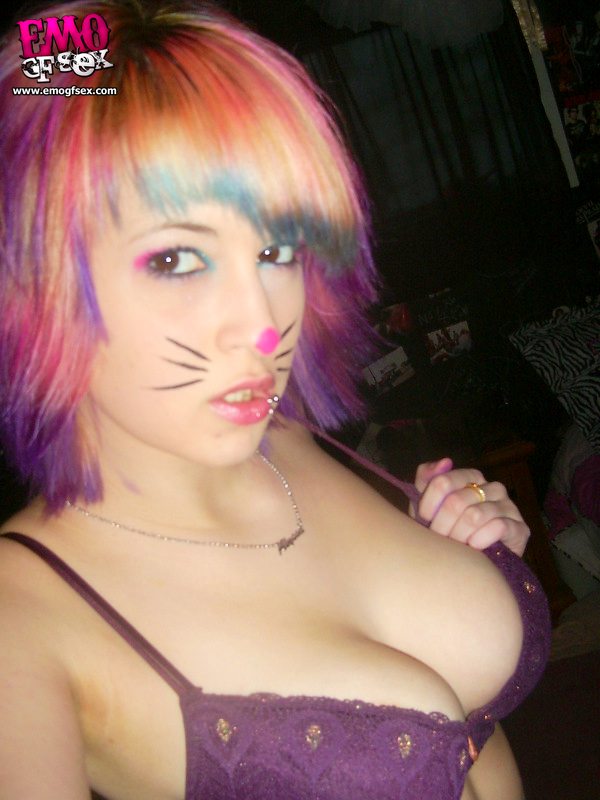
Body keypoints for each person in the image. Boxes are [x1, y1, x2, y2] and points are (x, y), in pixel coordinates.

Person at [0, 2, 549, 799]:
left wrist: (458, 544)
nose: (263, 325)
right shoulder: (20, 616)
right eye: (178, 259)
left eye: (276, 248)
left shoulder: (286, 435)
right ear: (32, 281)